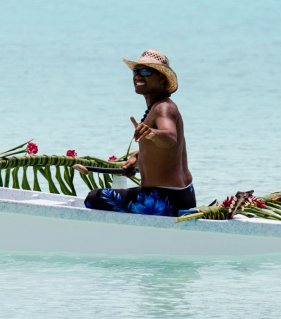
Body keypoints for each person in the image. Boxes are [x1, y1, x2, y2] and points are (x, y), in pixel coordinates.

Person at [74, 50, 196, 217]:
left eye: (145, 71)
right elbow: (168, 151)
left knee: (93, 198)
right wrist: (137, 158)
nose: (138, 76)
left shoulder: (163, 108)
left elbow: (170, 138)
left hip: (164, 199)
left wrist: (151, 132)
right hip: (183, 196)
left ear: (161, 78)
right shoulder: (160, 106)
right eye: (136, 71)